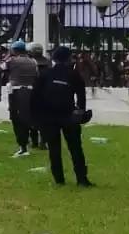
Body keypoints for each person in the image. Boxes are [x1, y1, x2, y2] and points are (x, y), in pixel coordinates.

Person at [36, 45, 92, 187]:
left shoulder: (46, 74)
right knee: (75, 148)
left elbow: (36, 96)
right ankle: (82, 179)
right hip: (68, 115)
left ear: (54, 58)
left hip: (48, 116)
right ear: (68, 59)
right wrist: (80, 112)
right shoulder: (73, 74)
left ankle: (59, 180)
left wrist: (37, 116)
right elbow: (81, 96)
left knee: (54, 149)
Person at [3, 40, 39, 157]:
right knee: (28, 117)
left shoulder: (12, 60)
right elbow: (36, 75)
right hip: (31, 91)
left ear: (15, 50)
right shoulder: (33, 61)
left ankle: (22, 146)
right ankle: (31, 140)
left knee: (16, 118)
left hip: (16, 92)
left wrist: (7, 57)